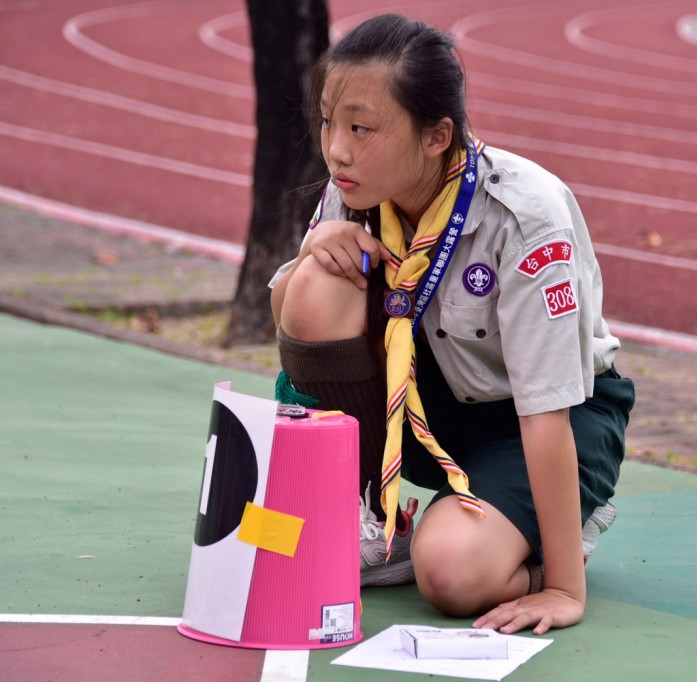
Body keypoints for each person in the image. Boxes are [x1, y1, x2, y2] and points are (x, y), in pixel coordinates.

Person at [269, 14, 634, 635]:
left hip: (544, 423)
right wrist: (313, 251)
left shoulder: (524, 217)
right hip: (428, 404)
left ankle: (556, 531)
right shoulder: (358, 187)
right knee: (317, 279)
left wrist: (565, 590)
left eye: (361, 127)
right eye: (329, 122)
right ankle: (373, 517)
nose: (335, 148)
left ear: (437, 136)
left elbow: (544, 410)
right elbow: (294, 321)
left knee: (449, 576)